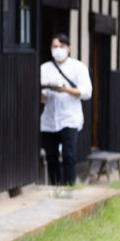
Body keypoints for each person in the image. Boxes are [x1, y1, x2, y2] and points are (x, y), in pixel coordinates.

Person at [40, 33, 92, 186]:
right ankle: (55, 186)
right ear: (50, 48)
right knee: (51, 157)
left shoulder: (78, 67)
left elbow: (86, 92)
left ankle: (69, 187)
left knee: (69, 155)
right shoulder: (44, 68)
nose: (58, 50)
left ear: (68, 48)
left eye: (61, 46)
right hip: (49, 120)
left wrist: (66, 90)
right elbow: (41, 97)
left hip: (69, 118)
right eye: (55, 46)